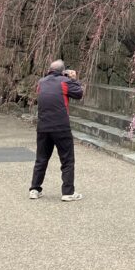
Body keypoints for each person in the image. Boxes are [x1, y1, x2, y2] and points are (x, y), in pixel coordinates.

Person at [29, 60, 83, 202]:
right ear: (62, 71)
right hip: (61, 127)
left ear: (49, 70)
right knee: (67, 160)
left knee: (41, 159)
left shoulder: (41, 82)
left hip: (43, 127)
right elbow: (79, 93)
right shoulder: (65, 82)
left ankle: (34, 189)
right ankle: (68, 192)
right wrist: (73, 79)